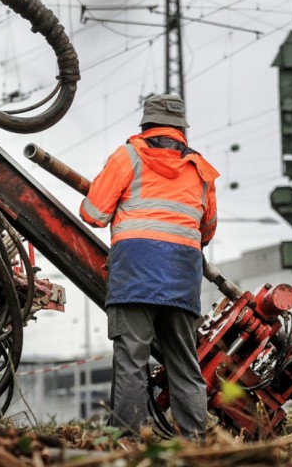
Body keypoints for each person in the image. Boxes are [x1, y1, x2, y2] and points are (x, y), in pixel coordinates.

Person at [80, 93, 219, 440]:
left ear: (145, 124)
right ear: (181, 130)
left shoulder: (128, 156)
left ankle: (126, 442)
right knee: (185, 366)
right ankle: (195, 445)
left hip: (135, 274)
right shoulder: (202, 169)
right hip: (181, 276)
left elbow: (93, 214)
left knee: (131, 363)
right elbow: (208, 230)